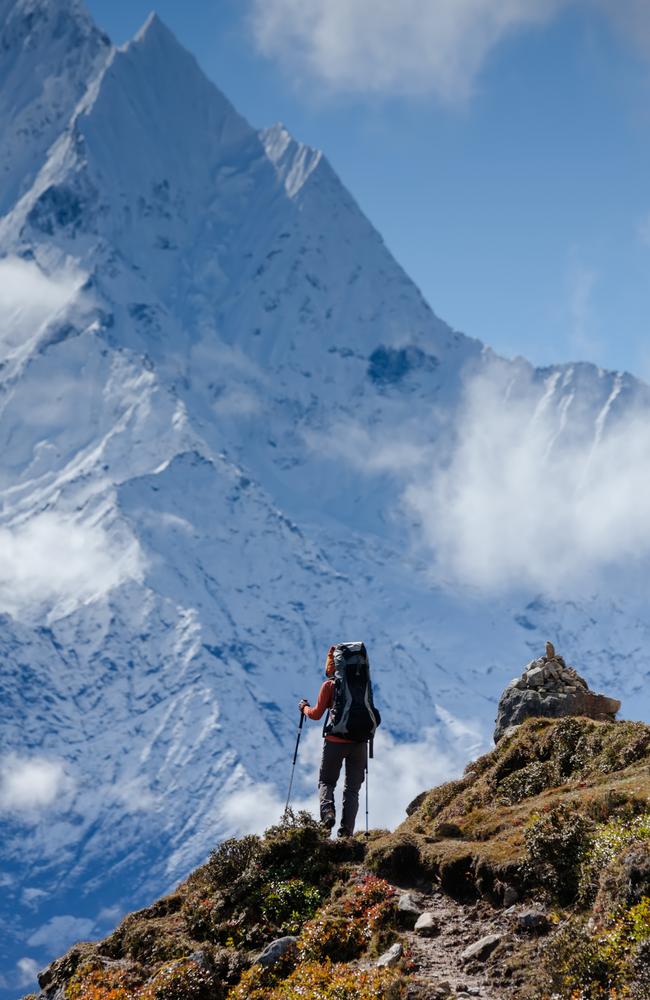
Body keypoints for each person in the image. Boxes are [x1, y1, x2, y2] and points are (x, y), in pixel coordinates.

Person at [299, 645, 368, 838]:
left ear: (333, 666)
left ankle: (328, 813)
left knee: (326, 781)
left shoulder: (329, 685)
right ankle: (346, 833)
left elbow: (315, 714)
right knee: (352, 789)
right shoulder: (363, 683)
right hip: (360, 742)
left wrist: (304, 708)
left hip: (335, 741)